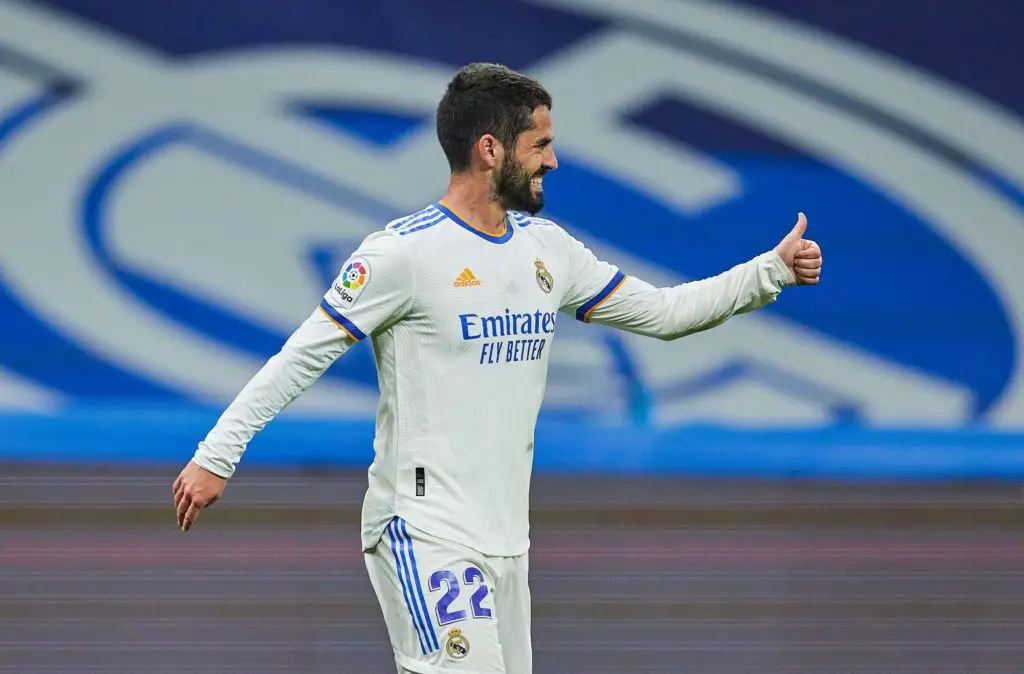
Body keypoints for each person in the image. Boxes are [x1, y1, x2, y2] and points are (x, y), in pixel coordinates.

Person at [172, 62, 822, 673]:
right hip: (424, 530)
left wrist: (769, 272)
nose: (553, 161)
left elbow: (664, 313)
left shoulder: (548, 251)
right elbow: (299, 356)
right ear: (490, 149)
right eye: (540, 145)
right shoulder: (402, 255)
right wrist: (216, 456)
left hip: (507, 540)